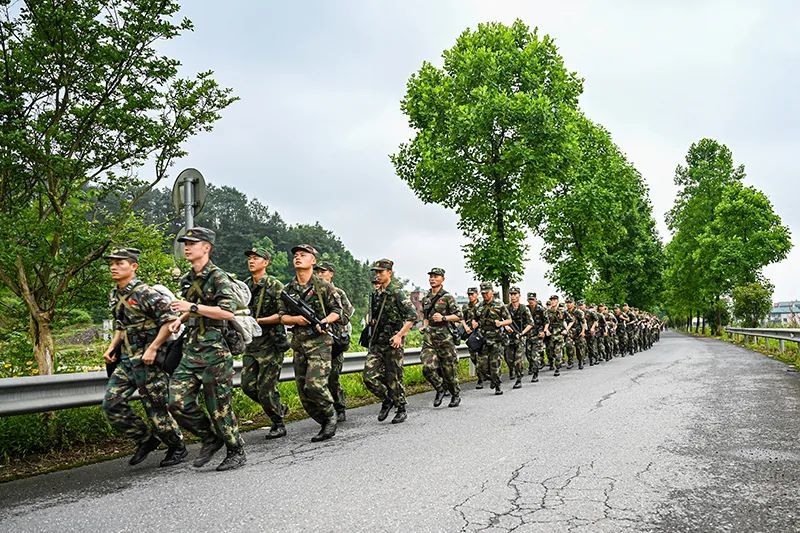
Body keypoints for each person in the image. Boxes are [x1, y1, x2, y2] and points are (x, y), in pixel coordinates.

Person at [168, 227, 246, 471]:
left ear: (206, 247)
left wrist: (191, 308)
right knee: (175, 401)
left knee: (218, 407)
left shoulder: (219, 277)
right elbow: (190, 310)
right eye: (185, 243)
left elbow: (226, 312)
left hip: (215, 350)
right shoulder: (187, 279)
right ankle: (210, 438)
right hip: (191, 350)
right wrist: (178, 320)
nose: (187, 247)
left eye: (193, 243)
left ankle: (236, 449)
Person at [101, 247, 186, 468]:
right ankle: (146, 439)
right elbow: (121, 325)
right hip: (128, 361)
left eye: (120, 263)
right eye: (112, 262)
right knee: (112, 403)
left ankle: (176, 446)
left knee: (156, 407)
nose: (113, 266)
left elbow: (170, 321)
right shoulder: (114, 294)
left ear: (134, 266)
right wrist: (111, 348)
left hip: (150, 361)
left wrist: (154, 348)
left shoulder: (146, 293)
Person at [278, 244, 342, 442]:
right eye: (295, 255)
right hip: (299, 344)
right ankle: (323, 420)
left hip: (320, 343)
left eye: (303, 255)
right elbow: (281, 317)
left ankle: (331, 415)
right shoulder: (287, 290)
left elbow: (338, 311)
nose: (298, 258)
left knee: (315, 385)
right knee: (304, 393)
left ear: (313, 260)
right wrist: (296, 320)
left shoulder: (324, 286)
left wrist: (324, 321)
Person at [241, 245, 290, 440]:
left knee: (266, 389)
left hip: (271, 344)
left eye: (256, 258)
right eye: (250, 258)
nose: (251, 261)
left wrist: (259, 321)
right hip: (252, 343)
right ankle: (279, 408)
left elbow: (283, 314)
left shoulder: (275, 285)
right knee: (247, 385)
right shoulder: (245, 286)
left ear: (266, 262)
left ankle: (278, 423)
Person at [362, 259, 417, 424]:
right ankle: (387, 399)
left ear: (389, 273)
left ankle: (401, 408)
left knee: (394, 377)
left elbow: (412, 316)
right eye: (376, 272)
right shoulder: (376, 294)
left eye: (381, 272)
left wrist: (400, 335)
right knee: (368, 377)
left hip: (393, 342)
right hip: (377, 342)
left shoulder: (397, 293)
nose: (377, 275)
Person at [314, 261, 354, 422]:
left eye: (323, 271)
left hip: (334, 340)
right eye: (317, 271)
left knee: (332, 377)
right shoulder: (312, 292)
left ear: (331, 274)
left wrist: (330, 318)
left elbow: (346, 315)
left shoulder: (338, 292)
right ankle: (325, 410)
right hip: (316, 340)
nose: (319, 274)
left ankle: (339, 406)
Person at [420, 268, 463, 407]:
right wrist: (424, 326)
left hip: (445, 338)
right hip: (430, 338)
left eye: (436, 276)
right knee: (427, 368)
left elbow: (459, 316)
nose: (432, 279)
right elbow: (425, 317)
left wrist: (443, 317)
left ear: (442, 279)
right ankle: (440, 388)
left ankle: (455, 394)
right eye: (431, 276)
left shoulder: (447, 297)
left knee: (448, 370)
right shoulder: (426, 298)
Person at [473, 283, 512, 395]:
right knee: (481, 367)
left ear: (492, 291)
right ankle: (492, 380)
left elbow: (509, 320)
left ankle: (497, 386)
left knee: (495, 366)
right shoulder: (479, 306)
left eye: (487, 292)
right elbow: (474, 319)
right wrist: (474, 323)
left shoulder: (499, 304)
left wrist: (501, 323)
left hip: (496, 339)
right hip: (483, 339)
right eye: (483, 293)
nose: (485, 295)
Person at [504, 287, 532, 389]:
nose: (513, 296)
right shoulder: (507, 308)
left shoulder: (524, 308)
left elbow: (530, 323)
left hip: (520, 337)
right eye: (511, 294)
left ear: (519, 295)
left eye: (515, 294)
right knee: (509, 359)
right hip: (509, 337)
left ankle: (519, 379)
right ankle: (512, 370)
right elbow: (501, 319)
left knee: (518, 359)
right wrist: (505, 326)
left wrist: (522, 333)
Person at [461, 287, 485, 388]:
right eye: (469, 295)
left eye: (472, 294)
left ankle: (482, 377)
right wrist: (466, 327)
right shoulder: (466, 306)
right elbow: (462, 318)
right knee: (473, 357)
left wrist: (478, 324)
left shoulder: (482, 305)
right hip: (471, 334)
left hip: (481, 333)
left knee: (482, 357)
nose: (470, 296)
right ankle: (481, 376)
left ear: (477, 294)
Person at [543, 295, 567, 377]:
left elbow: (570, 320)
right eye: (551, 300)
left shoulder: (563, 311)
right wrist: (546, 330)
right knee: (551, 352)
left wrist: (566, 329)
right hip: (551, 334)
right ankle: (554, 362)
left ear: (557, 301)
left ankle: (557, 368)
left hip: (560, 334)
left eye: (554, 300)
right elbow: (545, 322)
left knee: (557, 352)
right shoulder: (547, 312)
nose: (553, 301)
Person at [525, 292, 547, 382]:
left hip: (538, 334)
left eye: (532, 300)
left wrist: (544, 331)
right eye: (529, 300)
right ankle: (532, 366)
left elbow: (546, 321)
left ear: (536, 300)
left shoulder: (541, 309)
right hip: (528, 334)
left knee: (535, 355)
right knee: (528, 354)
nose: (531, 301)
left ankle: (535, 373)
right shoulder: (525, 309)